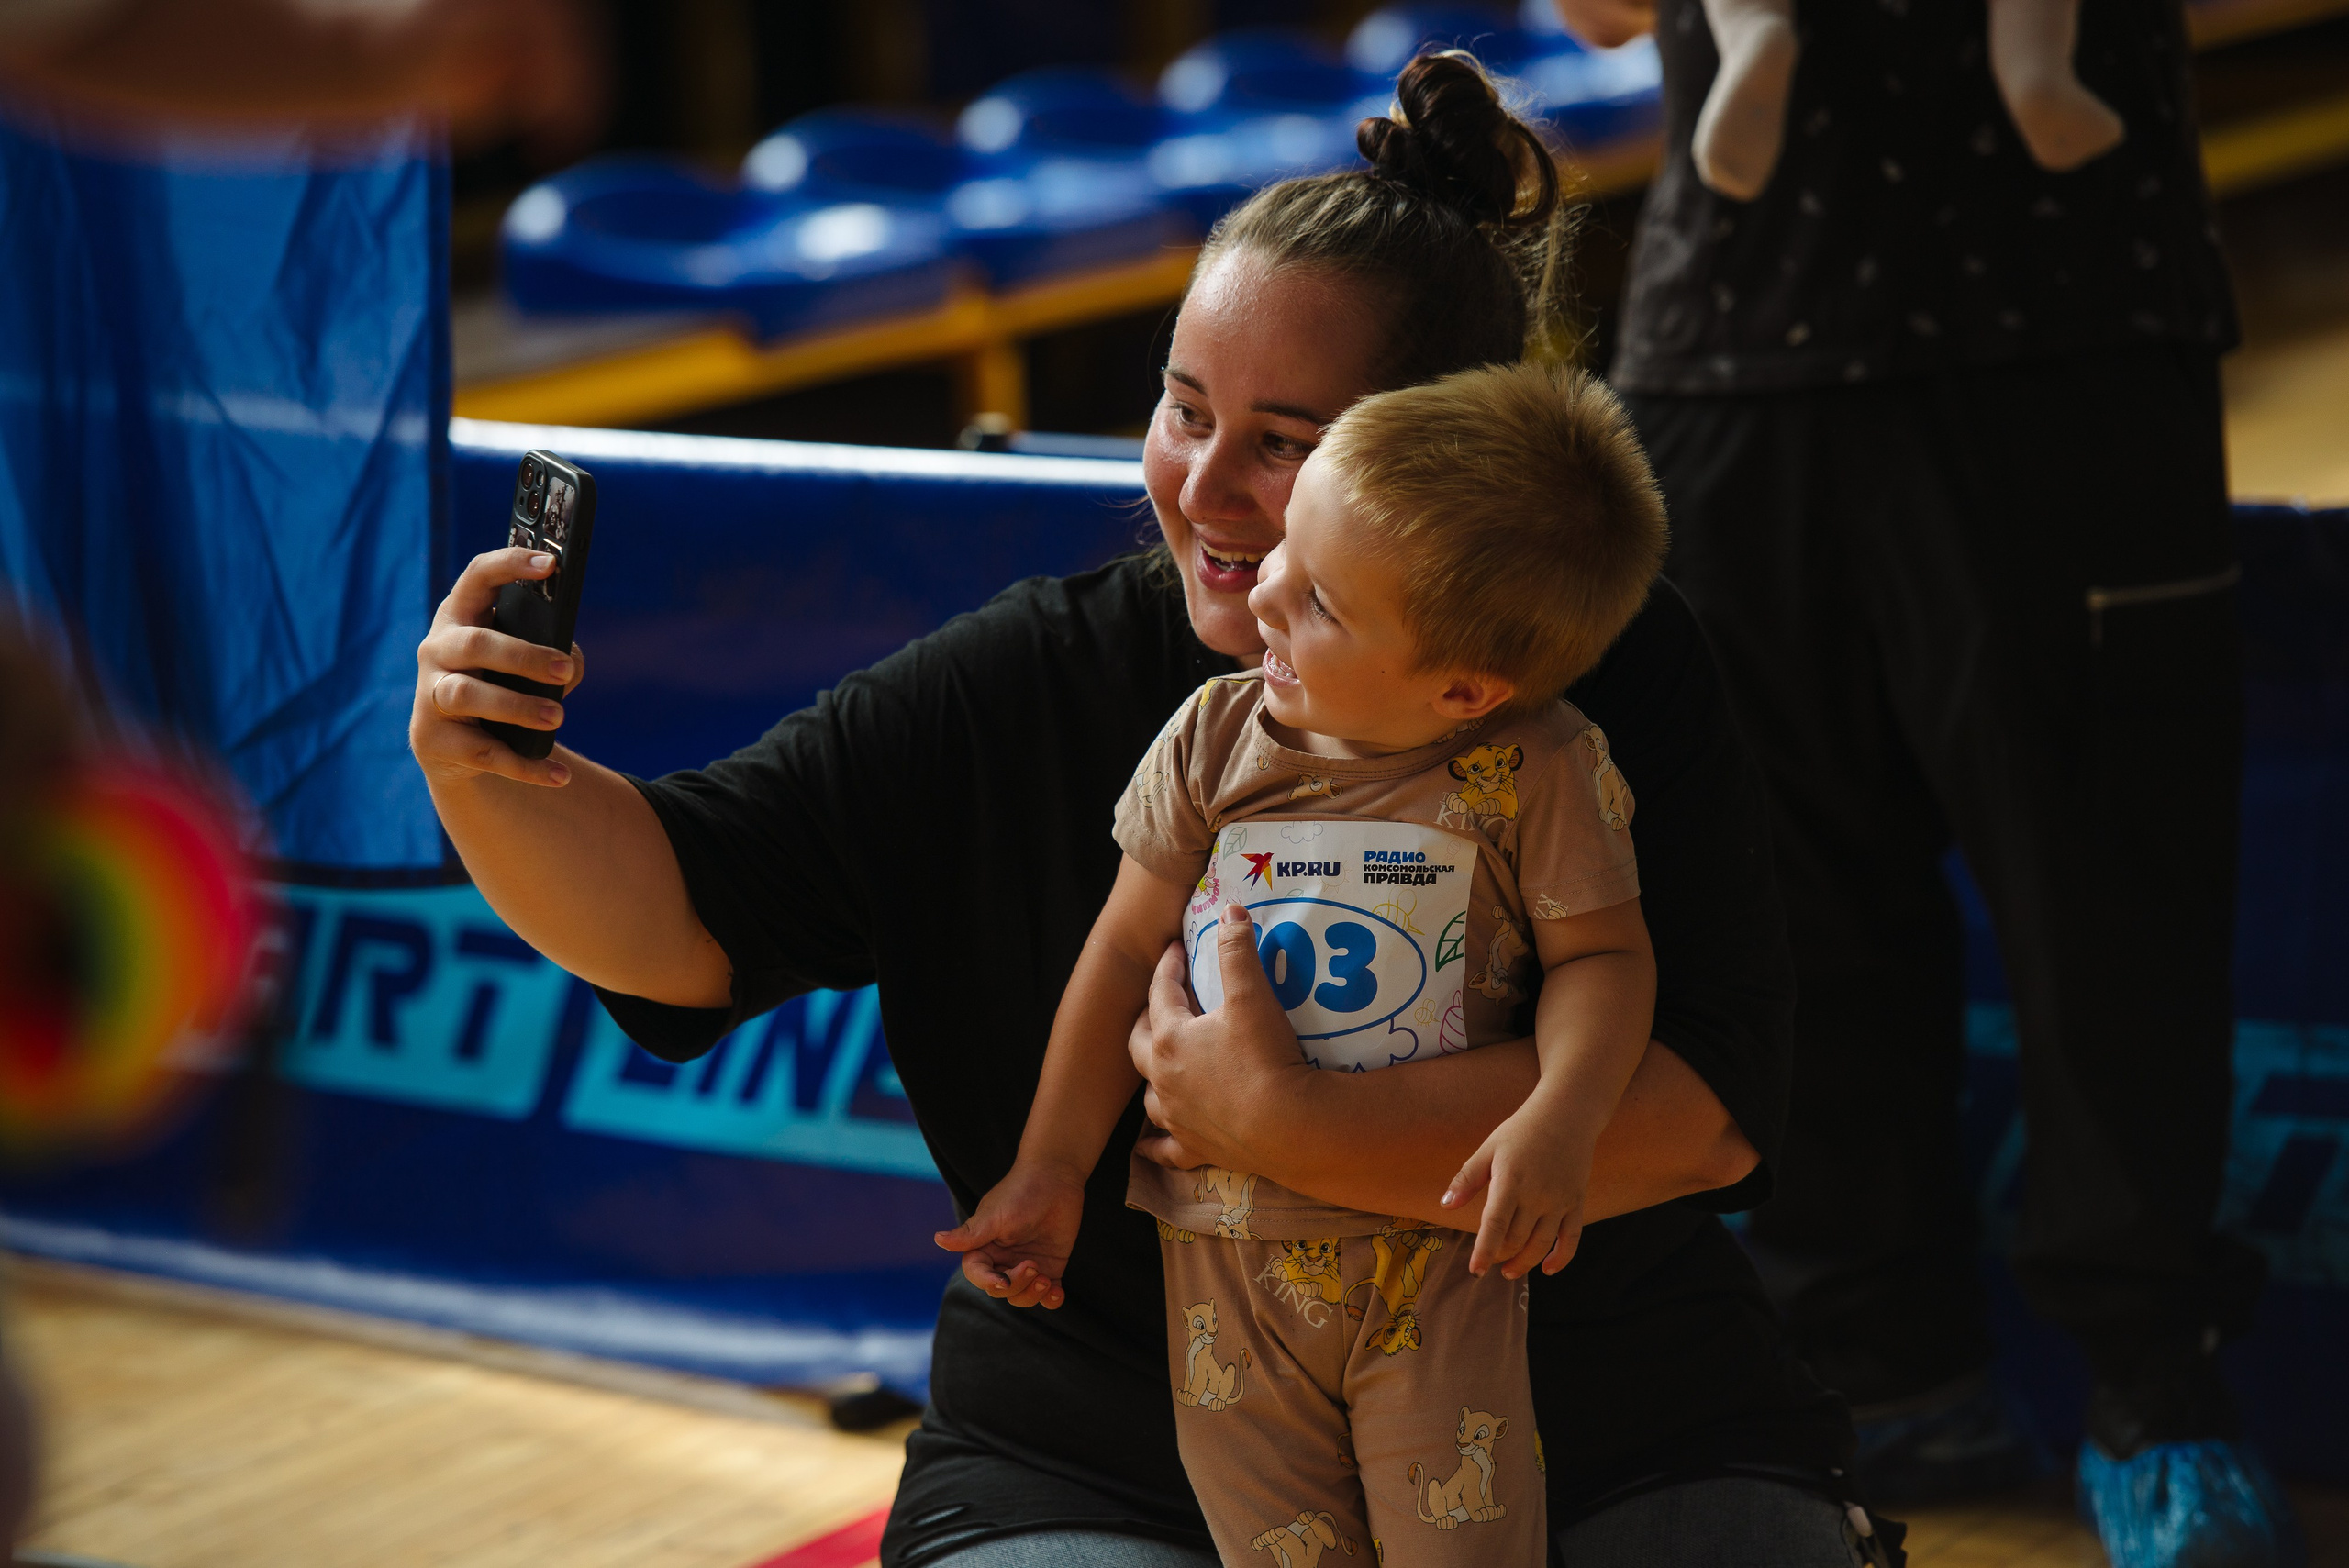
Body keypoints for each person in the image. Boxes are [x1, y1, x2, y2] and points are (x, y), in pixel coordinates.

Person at [411, 51, 1886, 1568]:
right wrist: (491, 773)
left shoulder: (1599, 680)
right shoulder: (1036, 681)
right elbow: (684, 918)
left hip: (1597, 1423)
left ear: (1439, 457)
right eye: (1185, 410)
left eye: (1285, 444)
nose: (1203, 488)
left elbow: (1701, 1111)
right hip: (1110, 1452)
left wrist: (1287, 1126)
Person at [1555, 0, 2298, 1560]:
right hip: (1733, 352)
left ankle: (2153, 1388)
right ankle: (1880, 1374)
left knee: (2114, 894)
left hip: (2067, 330)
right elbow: (1600, 14)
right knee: (1770, 900)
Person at [939, 359, 1671, 1565]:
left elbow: (1605, 957)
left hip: (1437, 1262)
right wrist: (1052, 1164)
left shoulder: (1539, 765)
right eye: (1290, 549)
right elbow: (1124, 947)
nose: (1268, 592)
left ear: (1463, 686)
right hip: (1224, 1269)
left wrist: (1563, 1116)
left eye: (1322, 598)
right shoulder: (1215, 736)